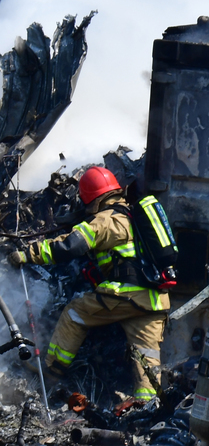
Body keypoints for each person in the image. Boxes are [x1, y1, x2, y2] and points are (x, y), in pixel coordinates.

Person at [6, 167, 167, 400]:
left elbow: (70, 245)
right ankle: (148, 406)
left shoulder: (106, 220)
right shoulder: (132, 215)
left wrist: (28, 254)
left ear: (91, 198)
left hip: (126, 295)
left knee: (74, 314)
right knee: (146, 356)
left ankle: (51, 370)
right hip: (154, 300)